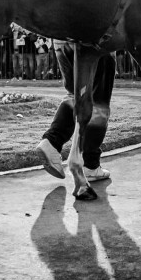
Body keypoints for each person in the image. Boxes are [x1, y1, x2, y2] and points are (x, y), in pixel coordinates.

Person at [35, 43, 116, 187]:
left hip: (62, 42)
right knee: (98, 102)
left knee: (74, 94)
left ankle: (52, 141)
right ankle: (90, 164)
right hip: (96, 43)